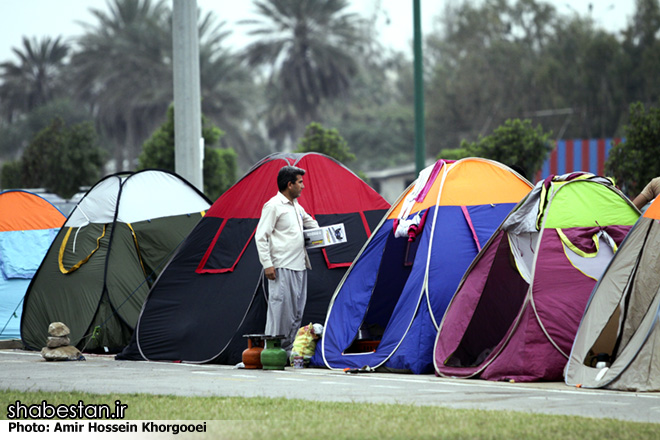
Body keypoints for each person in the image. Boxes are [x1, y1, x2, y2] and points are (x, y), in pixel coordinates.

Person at [255, 165, 319, 353]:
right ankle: (273, 350)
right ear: (290, 185)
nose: (303, 186)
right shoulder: (273, 205)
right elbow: (261, 236)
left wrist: (324, 234)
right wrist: (267, 264)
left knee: (296, 312)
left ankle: (288, 349)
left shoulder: (296, 207)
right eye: (300, 182)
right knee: (281, 312)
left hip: (299, 265)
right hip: (282, 266)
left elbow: (311, 223)